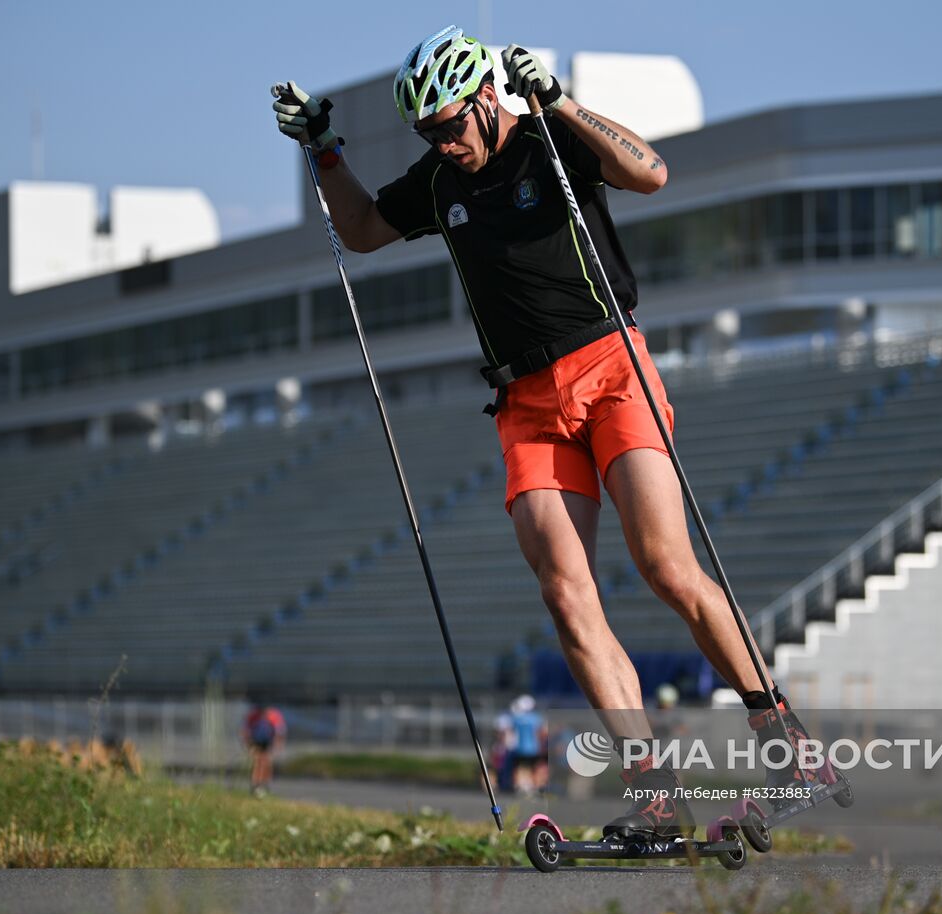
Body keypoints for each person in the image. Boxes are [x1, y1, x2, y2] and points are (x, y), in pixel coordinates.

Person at [272, 26, 812, 840]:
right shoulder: (439, 178)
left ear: (487, 98)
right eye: (429, 133)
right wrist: (324, 148)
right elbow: (364, 230)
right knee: (565, 592)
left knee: (666, 565)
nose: (444, 142)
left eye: (451, 123)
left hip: (611, 364)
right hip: (525, 400)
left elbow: (651, 172)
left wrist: (556, 97)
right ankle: (657, 796)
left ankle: (786, 741)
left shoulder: (546, 136)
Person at [241, 701, 287, 797]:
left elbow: (279, 731)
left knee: (265, 762)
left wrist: (278, 744)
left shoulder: (273, 715)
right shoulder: (254, 715)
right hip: (256, 741)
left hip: (267, 742)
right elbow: (245, 731)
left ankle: (262, 784)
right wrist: (247, 744)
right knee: (258, 762)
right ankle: (257, 784)